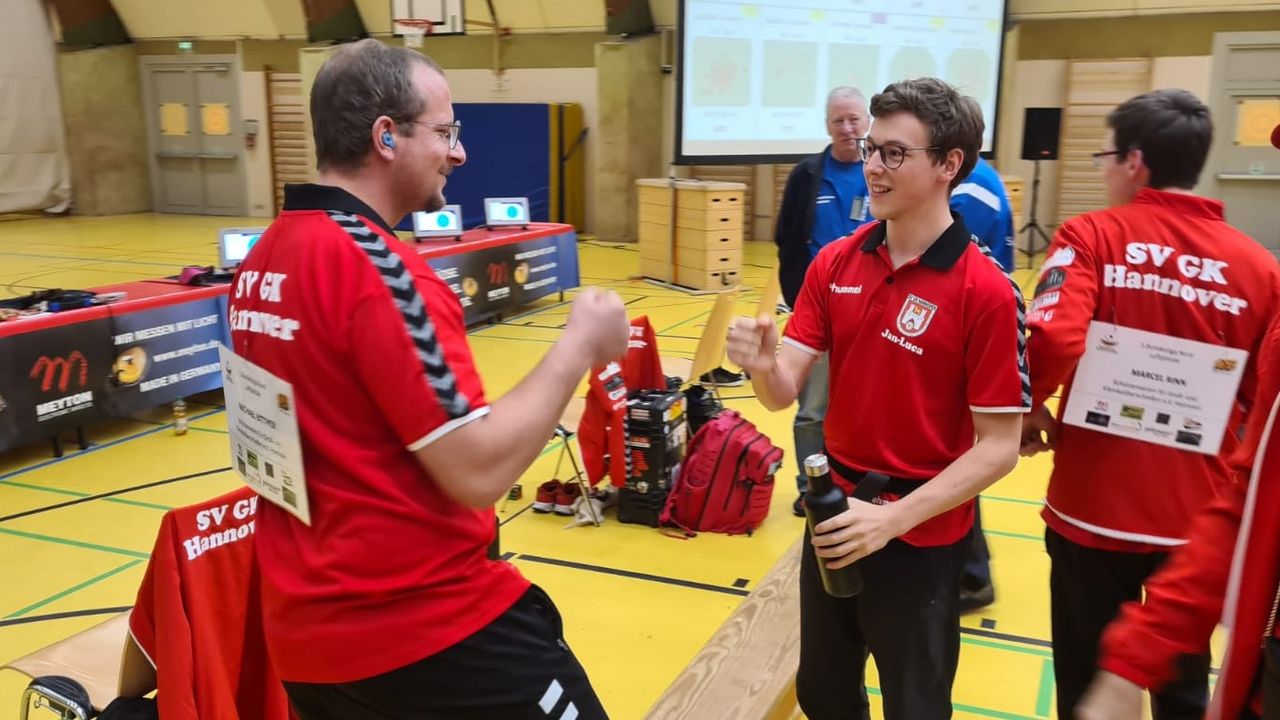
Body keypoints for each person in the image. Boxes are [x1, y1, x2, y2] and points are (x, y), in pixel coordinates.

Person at [226, 39, 627, 719]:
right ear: (387, 136)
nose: (459, 152)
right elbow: (476, 469)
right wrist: (579, 343)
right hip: (431, 633)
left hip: (310, 644)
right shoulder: (383, 273)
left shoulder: (265, 260)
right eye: (445, 132)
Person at [728, 77, 1028, 720]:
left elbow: (1001, 447)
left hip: (920, 534)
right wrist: (759, 366)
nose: (871, 166)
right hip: (834, 515)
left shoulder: (988, 292)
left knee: (915, 704)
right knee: (825, 693)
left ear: (948, 164)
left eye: (895, 153)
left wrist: (893, 519)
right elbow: (783, 394)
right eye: (871, 147)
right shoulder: (835, 263)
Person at [1020, 91, 1280, 720]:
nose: (1103, 168)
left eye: (1105, 155)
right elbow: (1260, 405)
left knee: (1089, 685)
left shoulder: (1090, 235)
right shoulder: (1261, 269)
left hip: (1091, 507)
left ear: (1133, 162)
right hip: (1196, 520)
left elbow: (1052, 334)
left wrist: (1033, 409)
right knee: (1182, 687)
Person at [773, 86, 876, 516]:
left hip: (873, 314)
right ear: (827, 125)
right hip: (819, 312)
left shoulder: (882, 168)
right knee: (813, 410)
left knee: (869, 405)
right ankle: (810, 487)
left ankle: (861, 482)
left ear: (868, 122)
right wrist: (800, 300)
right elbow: (786, 238)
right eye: (839, 120)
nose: (848, 128)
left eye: (854, 119)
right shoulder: (807, 175)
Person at [949, 155, 1016, 611]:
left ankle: (972, 575)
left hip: (965, 330)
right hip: (970, 325)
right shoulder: (978, 181)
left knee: (953, 455)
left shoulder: (970, 191)